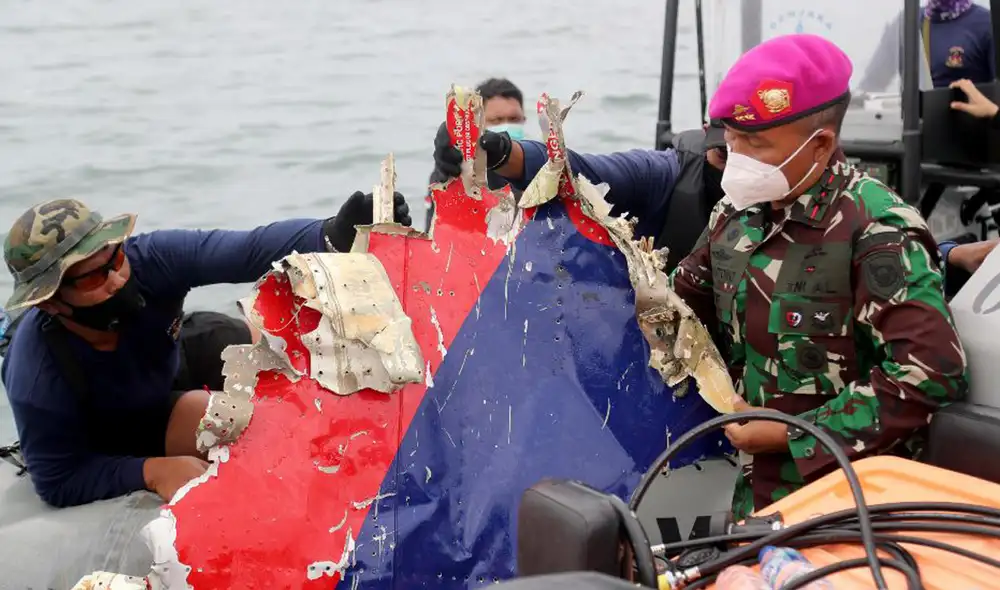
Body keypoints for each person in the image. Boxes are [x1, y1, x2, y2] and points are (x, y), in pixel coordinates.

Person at [668, 33, 968, 519]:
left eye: (754, 142)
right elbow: (682, 304)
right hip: (753, 501)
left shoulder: (876, 227)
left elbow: (930, 376)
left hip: (852, 504)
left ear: (821, 144)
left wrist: (794, 433)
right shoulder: (735, 215)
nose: (734, 152)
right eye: (730, 135)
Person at [1, 191, 412, 507]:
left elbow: (246, 249)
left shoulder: (151, 260)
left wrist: (331, 235)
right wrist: (151, 471)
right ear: (51, 301)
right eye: (92, 279)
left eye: (114, 257)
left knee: (254, 342)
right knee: (218, 418)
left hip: (171, 353)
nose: (116, 279)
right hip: (120, 421)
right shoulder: (38, 375)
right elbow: (57, 480)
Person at [431, 96, 729, 272]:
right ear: (706, 134)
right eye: (725, 152)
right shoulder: (666, 173)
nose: (740, 166)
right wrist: (502, 153)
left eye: (758, 148)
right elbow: (582, 172)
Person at [425, 78, 529, 232]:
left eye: (514, 119)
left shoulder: (536, 166)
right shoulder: (452, 168)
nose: (507, 127)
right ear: (478, 123)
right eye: (497, 120)